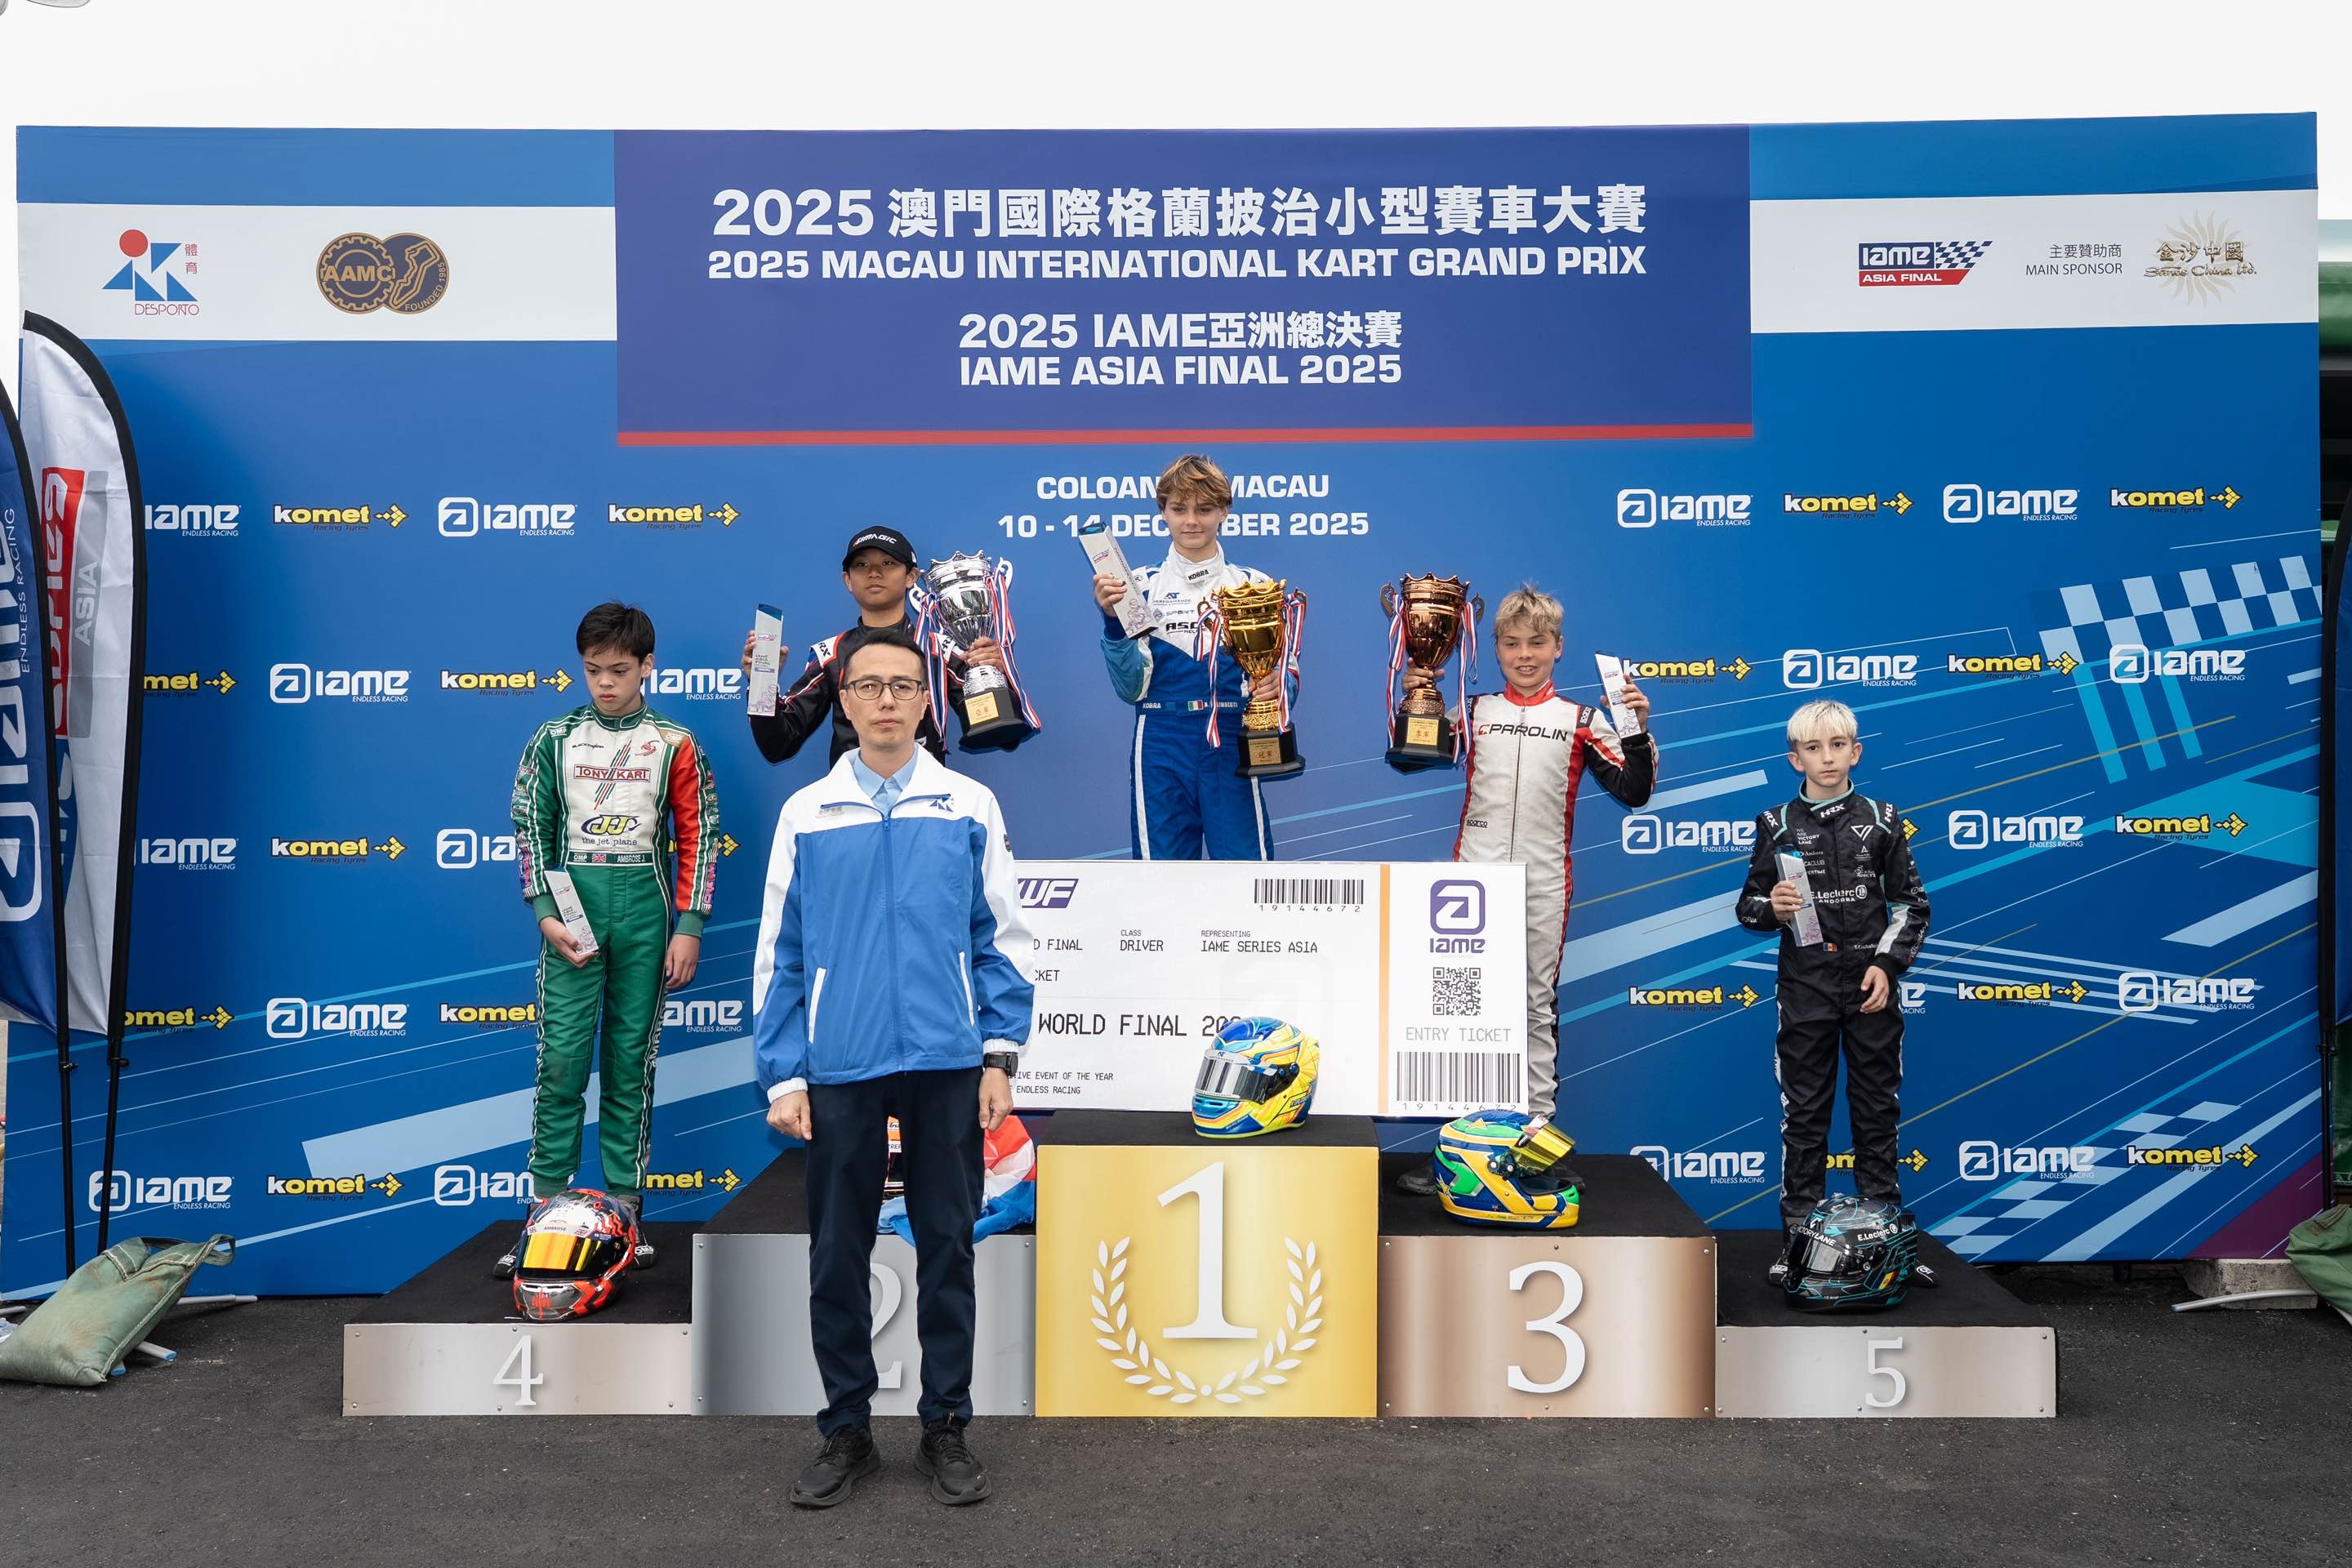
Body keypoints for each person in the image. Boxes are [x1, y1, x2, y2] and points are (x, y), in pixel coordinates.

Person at [752, 626, 1033, 1509]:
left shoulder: (968, 804)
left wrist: (1000, 1055)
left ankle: (946, 1424)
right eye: (868, 685)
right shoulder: (808, 813)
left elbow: (1001, 937)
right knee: (838, 1252)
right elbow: (780, 954)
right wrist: (784, 1075)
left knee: (948, 1245)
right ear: (843, 700)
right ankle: (847, 1429)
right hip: (841, 1063)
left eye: (903, 686)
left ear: (925, 700)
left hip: (949, 1062)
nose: (885, 700)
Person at [1389, 584, 1655, 1193]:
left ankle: (1532, 1152)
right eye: (1511, 644)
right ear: (1497, 649)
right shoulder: (1474, 710)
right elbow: (1407, 758)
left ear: (1558, 647)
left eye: (1537, 643)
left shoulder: (1581, 719)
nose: (1525, 655)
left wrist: (1637, 730)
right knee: (1462, 1011)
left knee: (1534, 1008)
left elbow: (1635, 790)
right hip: (1470, 886)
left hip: (1542, 882)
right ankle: (1459, 1150)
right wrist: (1417, 702)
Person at [500, 602, 719, 1274]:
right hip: (573, 913)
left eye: (619, 670)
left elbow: (701, 836)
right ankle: (544, 1214)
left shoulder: (675, 741)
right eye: (593, 669)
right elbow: (530, 826)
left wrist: (689, 926)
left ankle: (624, 1214)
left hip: (647, 915)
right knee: (563, 1061)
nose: (604, 683)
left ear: (648, 666)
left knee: (630, 1065)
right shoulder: (554, 738)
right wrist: (545, 912)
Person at [1734, 698, 1931, 1282]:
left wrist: (1887, 965)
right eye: (1814, 748)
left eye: (1838, 745)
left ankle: (1888, 1248)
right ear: (1795, 758)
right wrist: (1772, 907)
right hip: (1806, 989)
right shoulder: (1775, 824)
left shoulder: (1885, 819)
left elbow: (1912, 905)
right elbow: (1748, 907)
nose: (1827, 757)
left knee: (1876, 1114)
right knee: (1805, 1118)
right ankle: (1798, 1247)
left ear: (1856, 752)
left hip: (1871, 990)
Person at [1092, 453, 1293, 859]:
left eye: (1204, 510)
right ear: (1162, 512)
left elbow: (1284, 676)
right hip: (1162, 737)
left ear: (1224, 511)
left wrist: (1276, 687)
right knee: (1161, 877)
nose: (1191, 521)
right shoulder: (1137, 586)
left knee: (1245, 874)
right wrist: (1113, 623)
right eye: (1179, 509)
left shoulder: (1255, 587)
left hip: (1231, 735)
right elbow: (1130, 688)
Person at [737, 523, 1005, 768]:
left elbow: (999, 732)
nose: (874, 573)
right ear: (848, 580)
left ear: (911, 576)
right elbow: (778, 745)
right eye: (862, 565)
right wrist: (762, 681)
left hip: (927, 797)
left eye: (887, 563)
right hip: (851, 799)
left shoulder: (940, 650)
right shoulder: (831, 653)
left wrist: (991, 676)